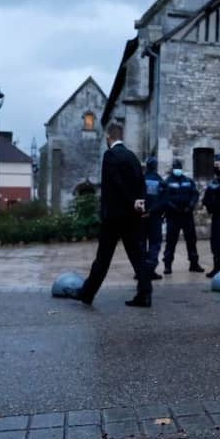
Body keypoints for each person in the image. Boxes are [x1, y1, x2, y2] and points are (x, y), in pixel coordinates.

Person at [72, 123, 153, 308]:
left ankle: (87, 294)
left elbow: (114, 184)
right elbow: (141, 183)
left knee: (103, 257)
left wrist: (121, 204)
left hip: (114, 217)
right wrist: (138, 202)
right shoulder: (132, 157)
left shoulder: (110, 155)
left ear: (108, 137)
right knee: (137, 256)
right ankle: (145, 294)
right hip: (132, 216)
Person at [162, 159, 205, 275]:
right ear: (173, 169)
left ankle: (194, 264)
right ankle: (167, 265)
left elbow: (195, 194)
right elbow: (164, 198)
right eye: (176, 168)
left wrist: (190, 206)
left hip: (187, 215)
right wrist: (173, 207)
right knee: (171, 241)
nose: (178, 170)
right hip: (173, 216)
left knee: (191, 240)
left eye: (179, 168)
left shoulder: (188, 181)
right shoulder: (167, 182)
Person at [139, 157, 165, 280]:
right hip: (155, 217)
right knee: (155, 243)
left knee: (141, 243)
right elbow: (164, 200)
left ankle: (141, 270)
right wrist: (152, 211)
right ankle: (150, 270)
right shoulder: (160, 181)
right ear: (155, 166)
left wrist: (143, 212)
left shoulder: (140, 180)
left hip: (141, 217)